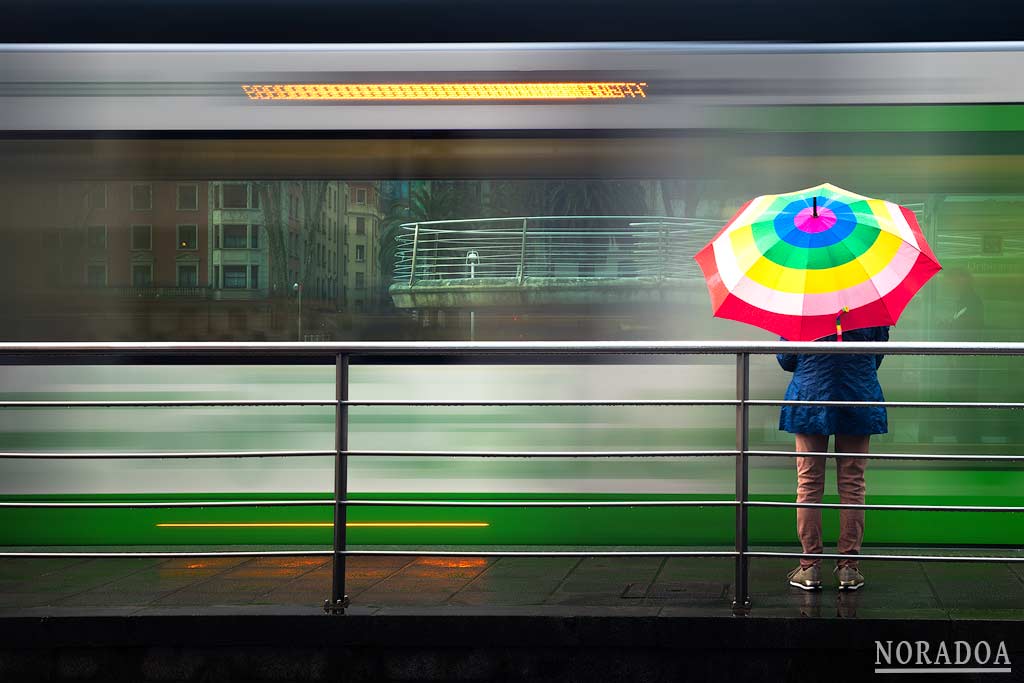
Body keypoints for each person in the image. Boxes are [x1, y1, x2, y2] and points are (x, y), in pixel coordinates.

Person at [777, 325, 889, 591]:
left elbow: (786, 359)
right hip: (857, 396)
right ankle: (848, 568)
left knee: (808, 485)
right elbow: (877, 357)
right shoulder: (868, 306)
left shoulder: (801, 307)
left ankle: (810, 567)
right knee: (853, 484)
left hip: (810, 397)